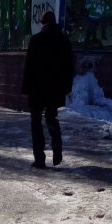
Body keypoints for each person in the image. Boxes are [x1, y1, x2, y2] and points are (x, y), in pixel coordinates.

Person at [21, 10, 74, 169]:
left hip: (37, 88)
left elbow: (29, 66)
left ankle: (39, 158)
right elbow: (69, 66)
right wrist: (67, 87)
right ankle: (56, 144)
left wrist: (26, 88)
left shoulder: (36, 40)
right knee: (51, 117)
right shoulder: (64, 40)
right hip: (55, 88)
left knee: (36, 122)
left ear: (42, 23)